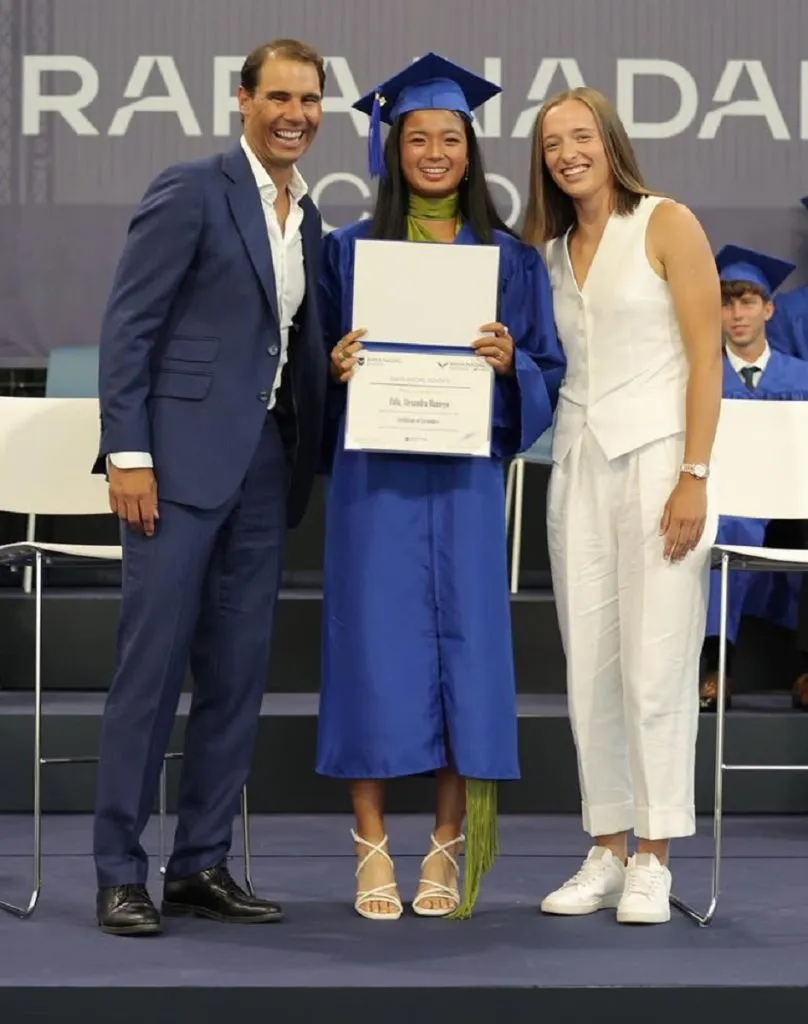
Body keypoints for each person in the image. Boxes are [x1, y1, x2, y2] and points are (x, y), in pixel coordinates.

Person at [316, 53, 565, 921]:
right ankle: (371, 843)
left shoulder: (507, 258)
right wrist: (334, 368)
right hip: (374, 482)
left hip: (462, 482)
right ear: (390, 149)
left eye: (448, 138)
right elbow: (304, 371)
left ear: (471, 151)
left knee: (464, 656)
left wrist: (510, 366)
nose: (432, 152)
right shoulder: (345, 251)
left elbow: (548, 373)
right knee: (372, 654)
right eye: (415, 137)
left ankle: (447, 845)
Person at [92, 38, 328, 936]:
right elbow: (130, 326)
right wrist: (129, 454)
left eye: (309, 100)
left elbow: (288, 336)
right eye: (279, 96)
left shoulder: (308, 218)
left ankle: (199, 864)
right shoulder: (192, 188)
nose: (294, 114)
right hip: (176, 468)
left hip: (266, 468)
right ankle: (119, 870)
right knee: (149, 674)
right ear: (243, 99)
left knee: (236, 677)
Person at [522, 86, 723, 925]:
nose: (567, 152)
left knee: (657, 665)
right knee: (591, 669)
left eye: (581, 137)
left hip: (661, 466)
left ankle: (655, 856)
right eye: (551, 143)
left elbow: (707, 359)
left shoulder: (666, 223)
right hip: (578, 465)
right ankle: (605, 846)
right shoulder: (549, 248)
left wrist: (695, 473)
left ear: (610, 141)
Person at [700, 246, 808, 712]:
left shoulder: (801, 377)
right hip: (728, 501)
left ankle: (805, 671)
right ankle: (715, 668)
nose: (736, 314)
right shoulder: (701, 378)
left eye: (747, 302)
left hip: (791, 501)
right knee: (730, 526)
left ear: (769, 309)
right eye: (726, 303)